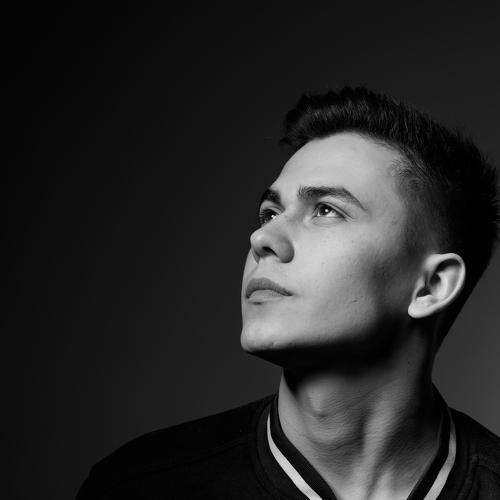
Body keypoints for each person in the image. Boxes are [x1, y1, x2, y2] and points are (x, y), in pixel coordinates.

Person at [76, 87, 500, 499]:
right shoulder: (136, 486)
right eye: (270, 213)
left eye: (326, 210)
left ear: (432, 286)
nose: (263, 238)